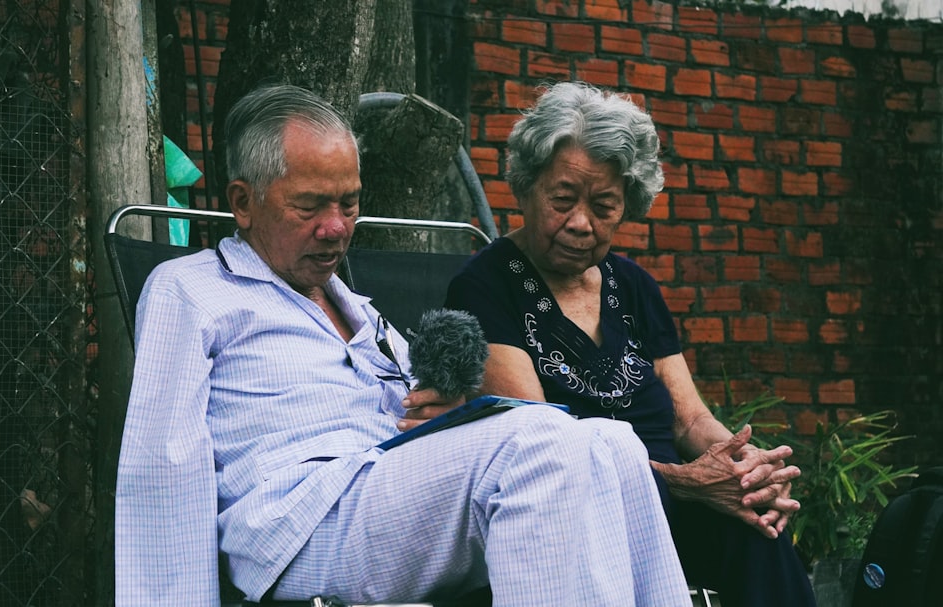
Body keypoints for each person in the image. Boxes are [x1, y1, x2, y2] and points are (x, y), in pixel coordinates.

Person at [114, 83, 692, 606]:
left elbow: (432, 425)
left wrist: (452, 415)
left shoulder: (357, 311)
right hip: (302, 526)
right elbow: (162, 468)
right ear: (243, 203)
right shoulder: (191, 290)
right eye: (311, 205)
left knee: (612, 443)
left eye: (349, 203)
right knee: (544, 441)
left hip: (389, 493)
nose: (337, 226)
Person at [445, 81, 817, 607]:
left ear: (629, 207)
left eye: (603, 206)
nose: (580, 223)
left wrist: (742, 468)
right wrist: (684, 483)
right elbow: (539, 449)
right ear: (525, 188)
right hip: (575, 517)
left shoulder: (634, 286)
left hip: (673, 506)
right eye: (562, 200)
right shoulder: (484, 288)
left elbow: (689, 420)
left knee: (759, 524)